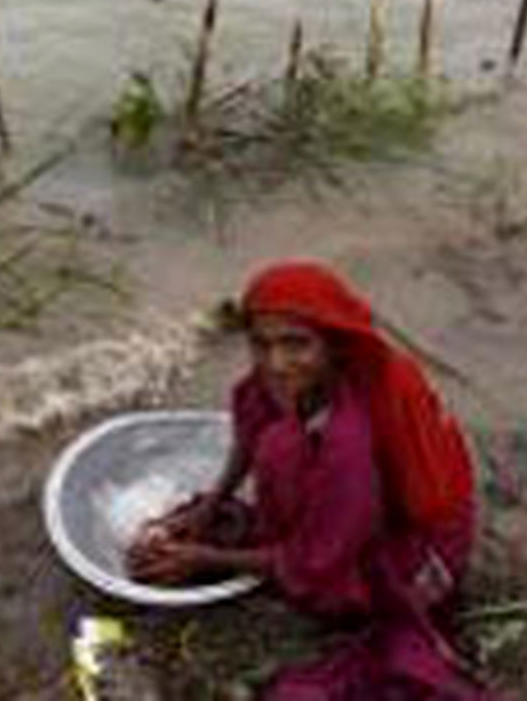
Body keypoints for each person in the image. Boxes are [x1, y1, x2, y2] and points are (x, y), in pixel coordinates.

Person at [130, 261, 496, 699]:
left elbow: (313, 562)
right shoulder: (278, 384)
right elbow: (247, 438)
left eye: (296, 344)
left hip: (418, 553)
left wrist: (205, 559)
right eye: (261, 344)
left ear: (333, 345)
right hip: (350, 509)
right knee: (277, 447)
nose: (276, 363)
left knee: (324, 580)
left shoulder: (347, 442)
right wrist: (207, 510)